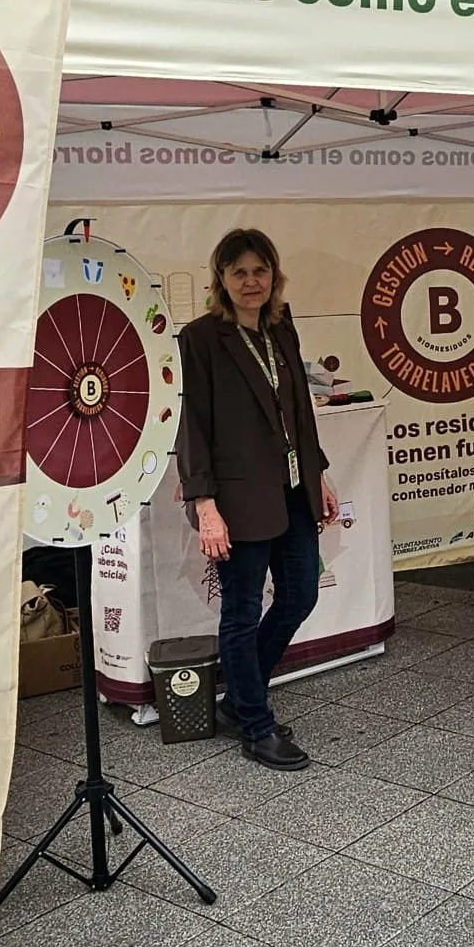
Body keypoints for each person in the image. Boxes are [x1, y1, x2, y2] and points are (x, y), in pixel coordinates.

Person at [176, 228, 338, 771]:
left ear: (274, 276)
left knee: (300, 598)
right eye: (239, 272)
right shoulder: (199, 339)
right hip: (237, 498)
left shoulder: (281, 329)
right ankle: (255, 722)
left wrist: (319, 476)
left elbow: (300, 411)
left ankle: (241, 700)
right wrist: (204, 505)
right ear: (220, 279)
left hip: (292, 490)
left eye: (260, 271)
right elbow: (191, 425)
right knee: (242, 613)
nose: (251, 281)